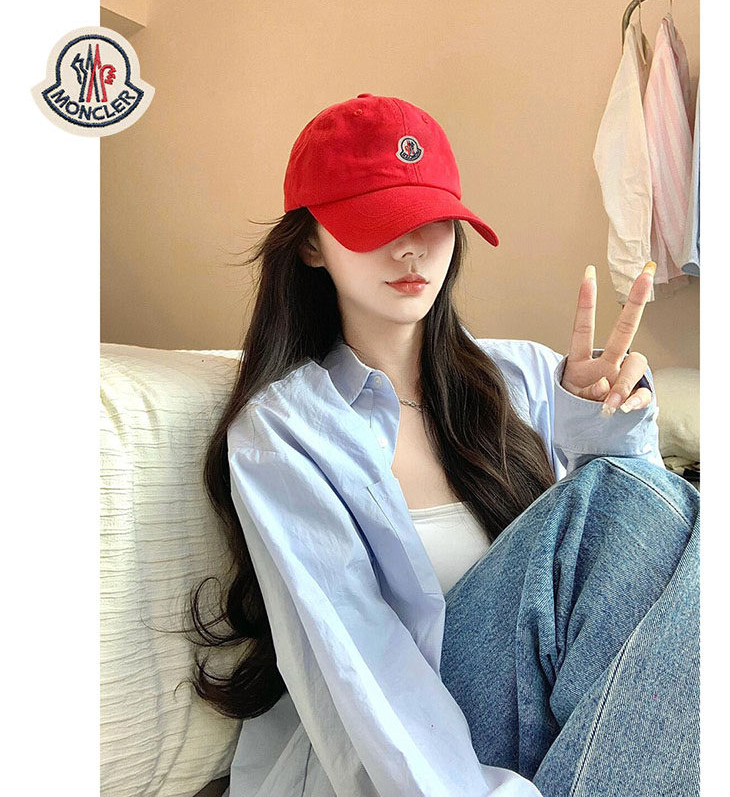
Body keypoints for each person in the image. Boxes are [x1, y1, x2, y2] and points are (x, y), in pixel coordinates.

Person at [187, 93, 700, 797]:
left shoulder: (527, 374)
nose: (410, 247)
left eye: (431, 220)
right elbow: (359, 662)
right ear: (309, 244)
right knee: (623, 497)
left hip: (549, 717)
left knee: (667, 508)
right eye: (377, 221)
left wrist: (602, 427)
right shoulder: (285, 432)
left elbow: (646, 585)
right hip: (412, 744)